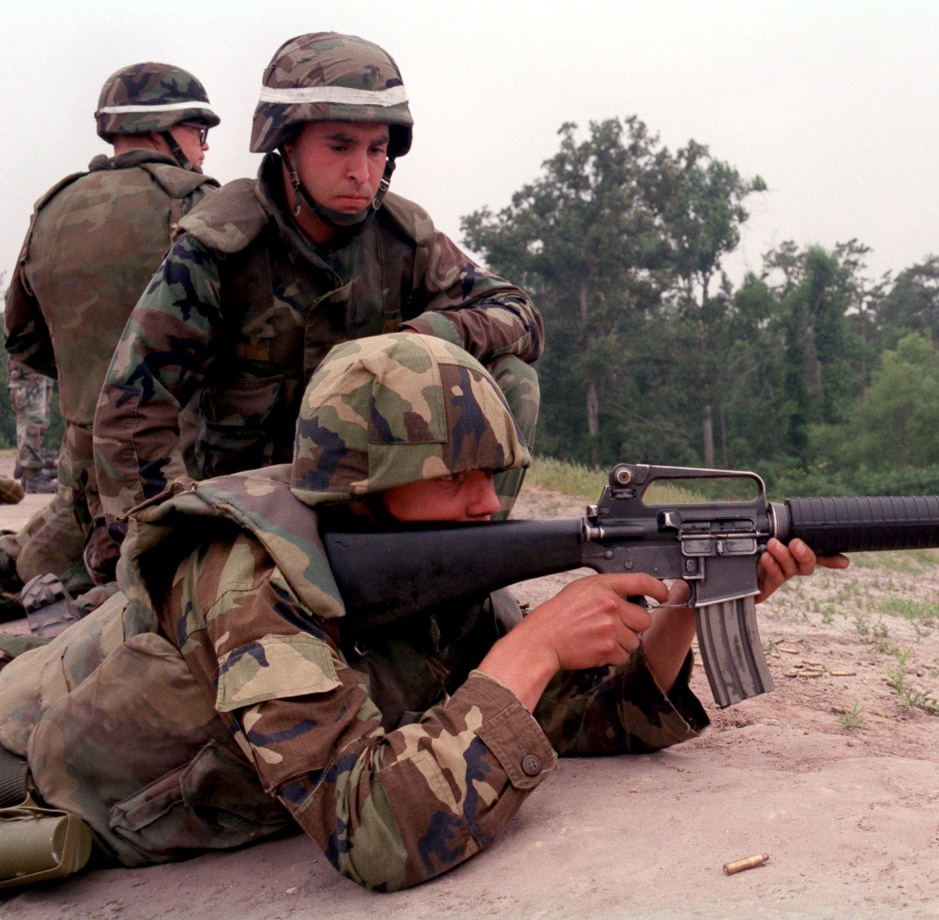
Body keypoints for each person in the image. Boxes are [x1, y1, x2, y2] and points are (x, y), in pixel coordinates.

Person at [0, 332, 845, 890]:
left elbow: (581, 725)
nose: (488, 504)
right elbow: (376, 837)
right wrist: (538, 646)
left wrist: (690, 601)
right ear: (363, 489)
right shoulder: (250, 581)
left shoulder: (421, 569)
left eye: (494, 474)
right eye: (454, 478)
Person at [91, 32, 543, 593]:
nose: (362, 171)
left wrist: (435, 333)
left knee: (510, 378)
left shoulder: (404, 239)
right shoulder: (220, 246)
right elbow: (132, 410)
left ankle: (460, 569)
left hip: (371, 501)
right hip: (249, 507)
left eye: (377, 149)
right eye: (339, 146)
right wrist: (170, 546)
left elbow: (519, 313)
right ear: (286, 145)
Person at [1, 62, 221, 625]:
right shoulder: (196, 201)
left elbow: (20, 334)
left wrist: (90, 381)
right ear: (163, 129)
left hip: (81, 454)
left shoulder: (55, 206)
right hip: (170, 454)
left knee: (41, 564)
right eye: (199, 133)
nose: (204, 149)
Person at [7, 356, 55, 494]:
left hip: (40, 369)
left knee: (39, 421)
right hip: (27, 370)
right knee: (32, 421)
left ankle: (30, 472)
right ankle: (32, 475)